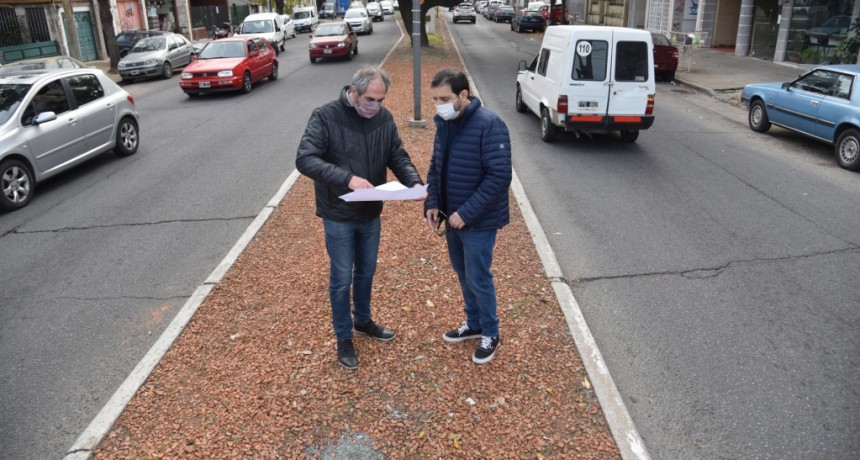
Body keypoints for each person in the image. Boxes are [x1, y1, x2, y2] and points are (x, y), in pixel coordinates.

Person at [296, 65, 424, 370]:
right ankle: (343, 337)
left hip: (371, 212)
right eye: (370, 99)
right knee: (341, 279)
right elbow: (305, 159)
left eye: (381, 100)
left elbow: (397, 154)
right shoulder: (325, 116)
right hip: (339, 213)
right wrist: (347, 178)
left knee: (366, 271)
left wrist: (414, 182)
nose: (375, 106)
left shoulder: (384, 118)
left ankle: (363, 320)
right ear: (353, 92)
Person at [424, 68, 512, 365]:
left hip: (478, 221)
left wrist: (466, 212)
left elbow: (499, 177)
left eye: (445, 98)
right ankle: (473, 323)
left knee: (479, 277)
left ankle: (490, 331)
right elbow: (436, 165)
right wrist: (433, 202)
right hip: (452, 219)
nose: (439, 105)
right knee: (463, 274)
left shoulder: (490, 125)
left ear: (464, 95)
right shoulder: (445, 124)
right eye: (435, 99)